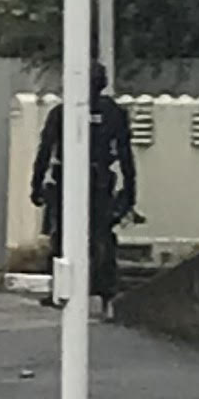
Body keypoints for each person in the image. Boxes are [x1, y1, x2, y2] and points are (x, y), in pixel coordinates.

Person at [29, 67, 142, 316]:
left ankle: (67, 288)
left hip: (70, 180)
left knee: (67, 235)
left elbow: (45, 151)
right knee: (100, 236)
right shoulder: (113, 113)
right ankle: (105, 294)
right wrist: (130, 190)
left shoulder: (62, 112)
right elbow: (125, 156)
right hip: (97, 180)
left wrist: (36, 185)